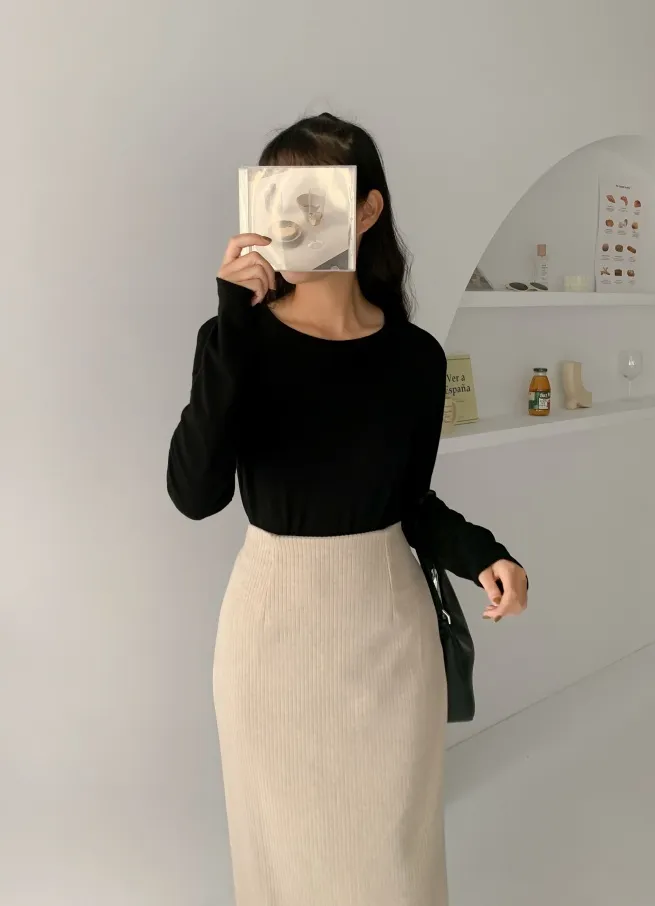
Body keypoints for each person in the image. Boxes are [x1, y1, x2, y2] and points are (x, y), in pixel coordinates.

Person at [167, 113, 528, 906]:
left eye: (316, 196)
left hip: (389, 636)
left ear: (366, 210)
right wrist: (232, 323)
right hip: (271, 638)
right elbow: (195, 495)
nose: (292, 217)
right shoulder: (237, 340)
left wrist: (485, 555)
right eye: (275, 196)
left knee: (391, 864)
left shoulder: (414, 357)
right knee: (283, 863)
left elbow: (411, 503)